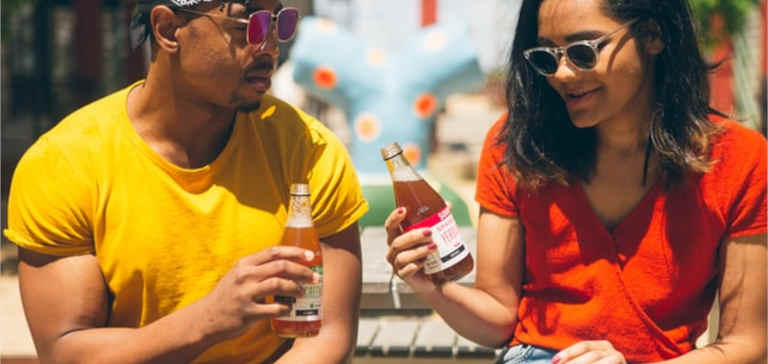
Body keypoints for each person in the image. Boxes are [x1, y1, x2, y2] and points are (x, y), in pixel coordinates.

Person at [384, 0, 766, 363]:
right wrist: (433, 288)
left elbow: (748, 343)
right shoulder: (516, 148)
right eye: (546, 57)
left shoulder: (739, 159)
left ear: (653, 35)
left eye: (583, 51)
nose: (562, 74)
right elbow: (498, 319)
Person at [4, 0, 369, 363]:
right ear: (166, 29)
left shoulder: (308, 149)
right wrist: (207, 321)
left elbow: (326, 335)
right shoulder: (65, 164)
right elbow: (68, 352)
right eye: (247, 23)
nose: (270, 44)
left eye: (279, 21)